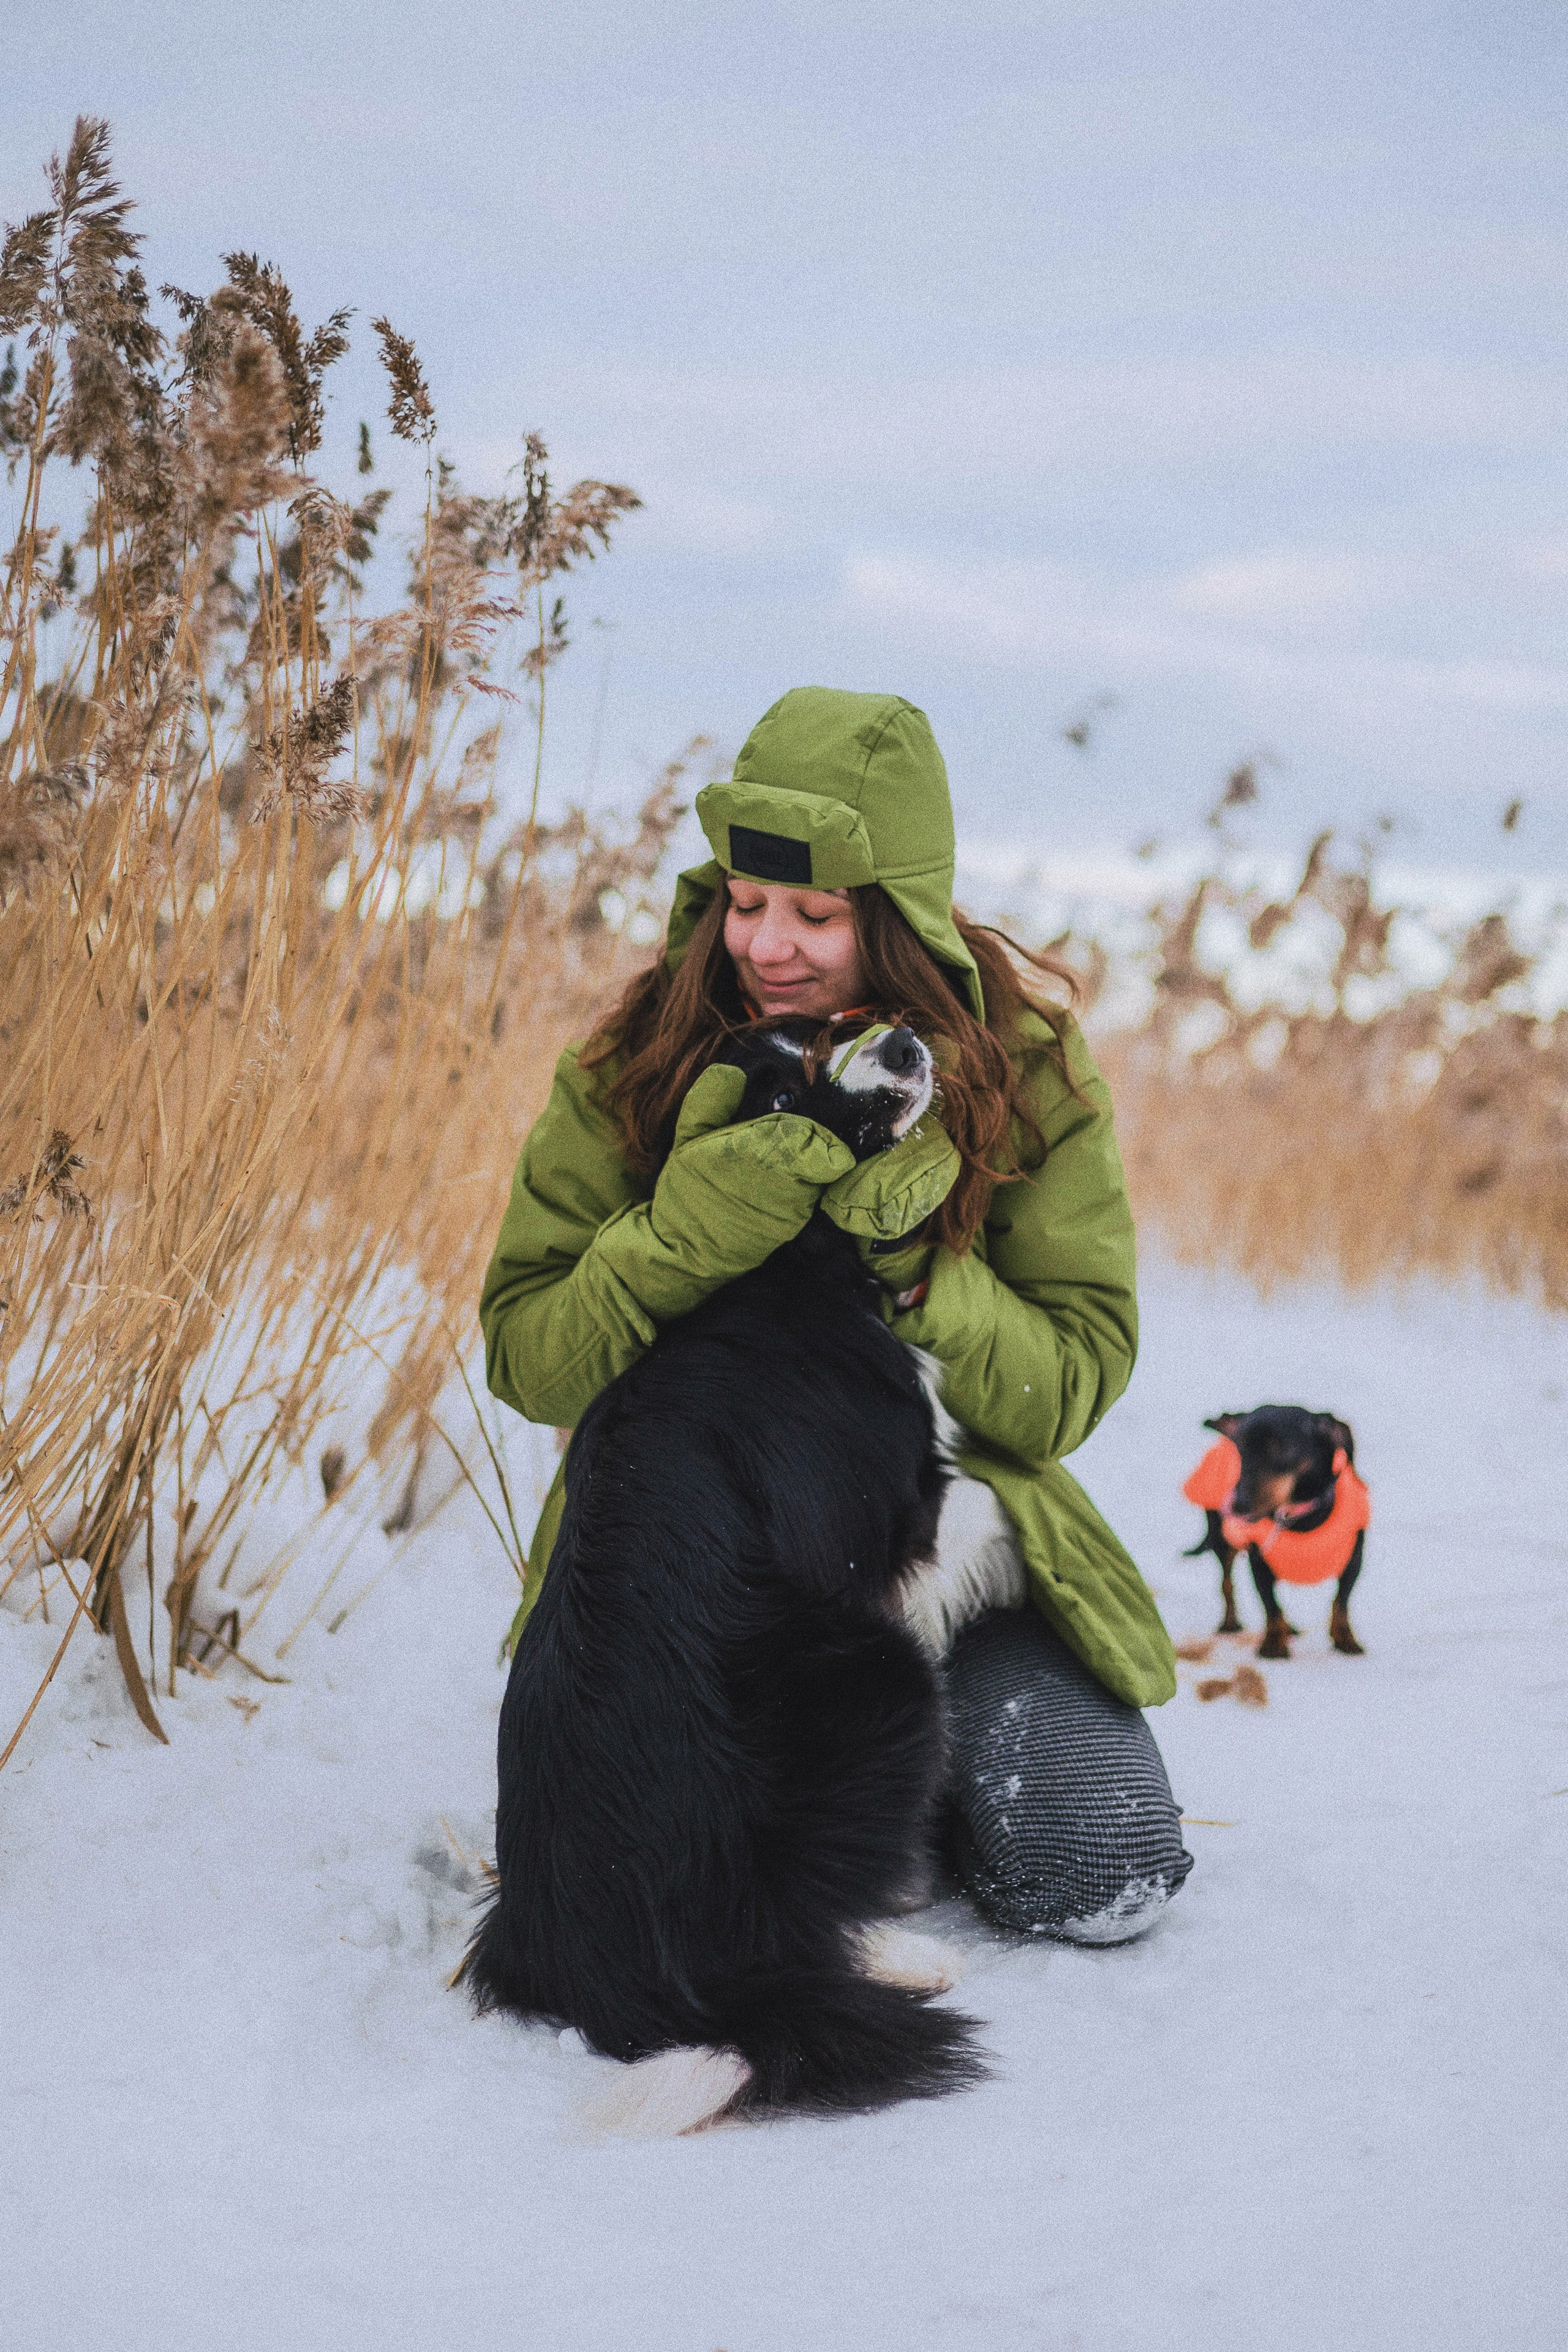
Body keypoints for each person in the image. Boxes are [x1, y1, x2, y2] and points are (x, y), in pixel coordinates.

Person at [480, 686, 1191, 1943]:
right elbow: (533, 1365)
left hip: (948, 1545)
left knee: (1096, 1867)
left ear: (901, 915)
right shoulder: (631, 1060)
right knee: (659, 1891)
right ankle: (855, 1804)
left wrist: (920, 1272)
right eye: (746, 902)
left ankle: (935, 1772)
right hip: (693, 1578)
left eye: (815, 913)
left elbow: (1072, 1378)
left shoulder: (1024, 1071)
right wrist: (693, 1231)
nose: (765, 946)